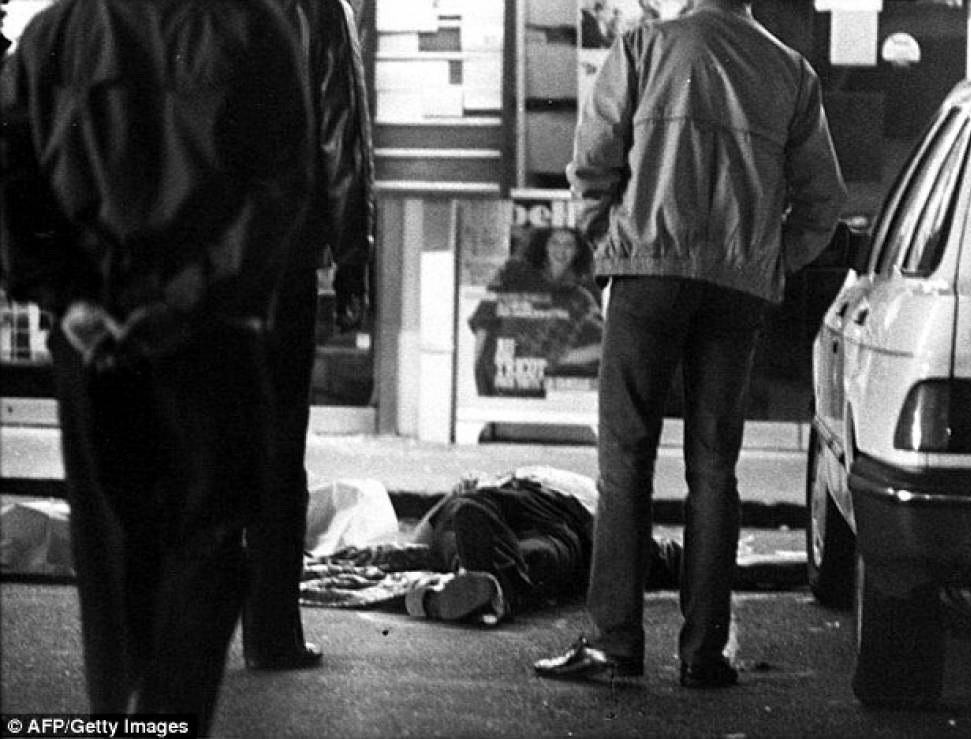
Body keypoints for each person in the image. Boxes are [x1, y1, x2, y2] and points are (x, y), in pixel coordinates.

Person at [0, 0, 312, 731]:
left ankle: (123, 712)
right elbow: (280, 188)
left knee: (110, 552)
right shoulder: (253, 27)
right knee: (206, 546)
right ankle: (168, 716)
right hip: (212, 338)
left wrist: (70, 299)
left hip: (92, 342)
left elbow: (10, 180)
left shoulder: (54, 36)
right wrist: (186, 299)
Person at [533, 0, 846, 688]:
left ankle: (616, 643)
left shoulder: (646, 47)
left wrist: (603, 237)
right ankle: (704, 653)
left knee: (625, 458)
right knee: (714, 467)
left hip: (647, 273)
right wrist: (771, 259)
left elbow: (593, 157)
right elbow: (824, 202)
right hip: (737, 288)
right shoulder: (790, 72)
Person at [241, 0, 375, 672]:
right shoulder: (318, 7)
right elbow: (340, 133)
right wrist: (353, 255)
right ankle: (270, 633)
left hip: (181, 250)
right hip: (277, 254)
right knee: (273, 449)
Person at [404, 467, 682, 624]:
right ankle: (492, 584)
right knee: (545, 550)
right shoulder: (484, 486)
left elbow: (419, 541)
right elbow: (658, 552)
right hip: (517, 508)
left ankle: (481, 580)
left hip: (550, 511)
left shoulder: (582, 495)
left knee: (542, 551)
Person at [470, 226, 603, 398]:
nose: (561, 249)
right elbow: (485, 319)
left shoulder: (582, 297)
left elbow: (602, 346)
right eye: (554, 242)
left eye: (569, 244)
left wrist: (557, 359)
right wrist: (477, 362)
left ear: (578, 251)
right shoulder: (515, 274)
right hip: (499, 373)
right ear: (544, 246)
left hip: (542, 384)